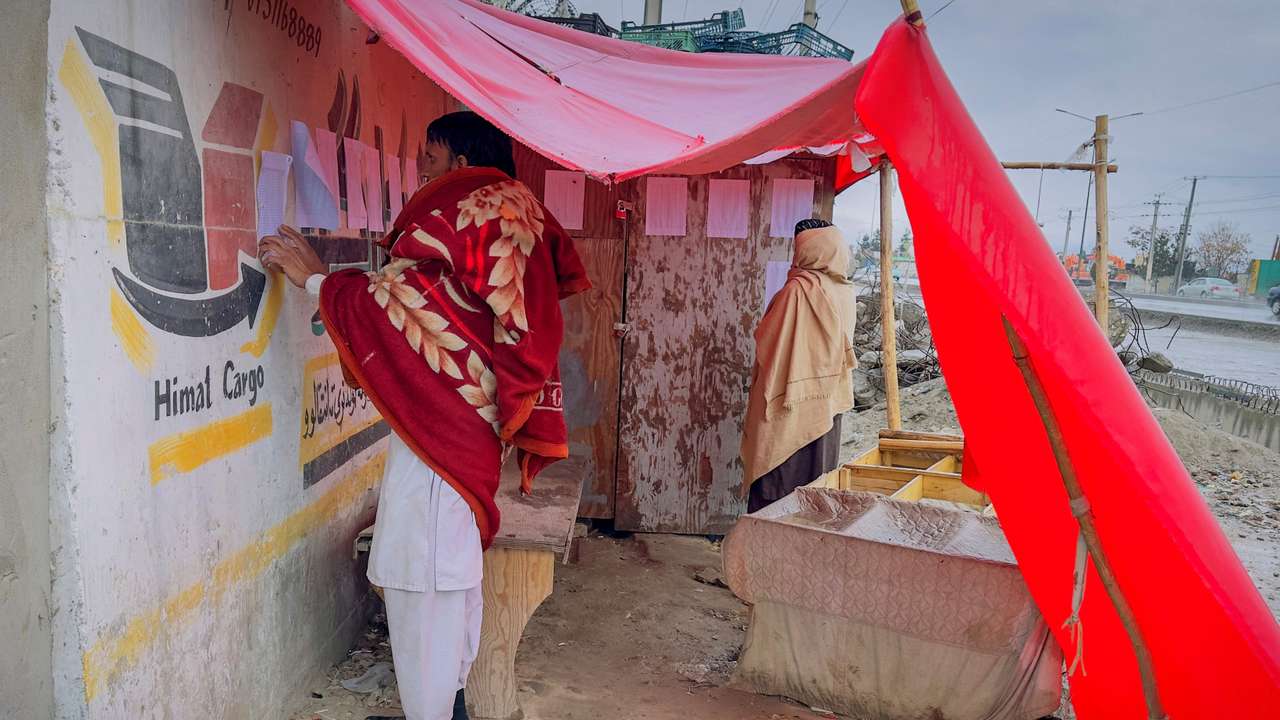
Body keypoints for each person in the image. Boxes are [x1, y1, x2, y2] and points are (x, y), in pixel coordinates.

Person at [260, 111, 589, 720]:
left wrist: (317, 281)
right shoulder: (513, 219)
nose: (422, 177)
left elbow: (403, 309)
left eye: (430, 161)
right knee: (446, 598)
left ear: (464, 167)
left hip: (442, 448)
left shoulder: (477, 212)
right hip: (460, 444)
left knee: (426, 589)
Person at [740, 219, 857, 513]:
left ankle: (768, 553)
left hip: (790, 407)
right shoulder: (845, 291)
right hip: (827, 406)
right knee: (815, 487)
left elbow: (769, 344)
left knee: (777, 487)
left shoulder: (798, 290)